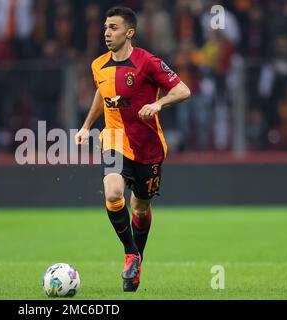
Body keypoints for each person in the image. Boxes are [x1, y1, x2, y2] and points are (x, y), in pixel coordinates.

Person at [75, 6, 191, 292]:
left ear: (130, 32)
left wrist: (158, 103)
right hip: (114, 138)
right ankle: (131, 253)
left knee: (140, 207)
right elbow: (103, 94)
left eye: (113, 28)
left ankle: (136, 261)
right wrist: (87, 125)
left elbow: (183, 90)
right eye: (105, 27)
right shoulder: (98, 65)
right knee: (113, 192)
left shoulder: (148, 62)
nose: (107, 33)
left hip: (148, 147)